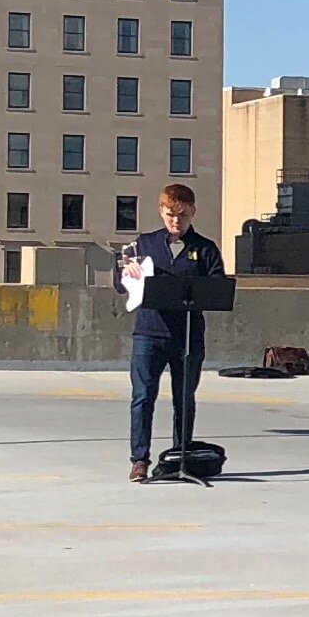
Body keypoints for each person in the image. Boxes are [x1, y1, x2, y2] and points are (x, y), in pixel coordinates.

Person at [120, 182, 224, 483]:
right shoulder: (145, 244)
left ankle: (181, 456)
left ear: (192, 213)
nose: (176, 221)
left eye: (182, 215)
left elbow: (217, 286)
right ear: (161, 212)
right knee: (142, 397)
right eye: (170, 215)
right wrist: (126, 273)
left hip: (187, 336)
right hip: (149, 334)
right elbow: (121, 282)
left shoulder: (204, 249)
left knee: (184, 398)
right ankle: (139, 460)